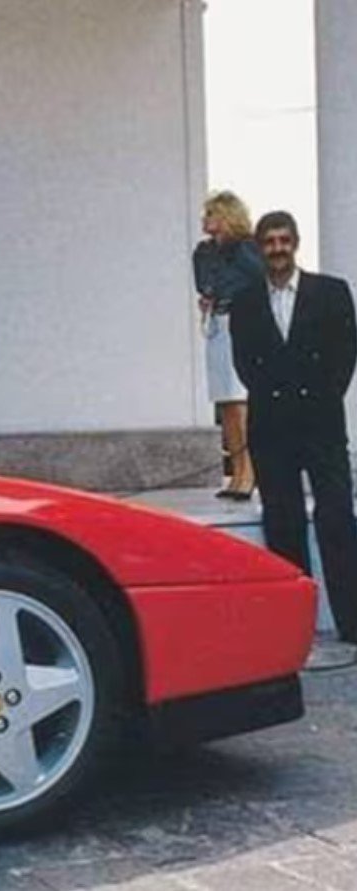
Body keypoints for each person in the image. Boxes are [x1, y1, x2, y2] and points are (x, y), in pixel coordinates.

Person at [231, 210, 357, 642]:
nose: (277, 249)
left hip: (322, 425)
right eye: (269, 242)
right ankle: (293, 631)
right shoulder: (245, 302)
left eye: (284, 240)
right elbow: (244, 363)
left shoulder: (332, 292)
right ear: (259, 248)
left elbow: (345, 355)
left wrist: (319, 398)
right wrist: (278, 398)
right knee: (283, 525)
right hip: (272, 427)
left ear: (296, 243)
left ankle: (352, 624)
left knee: (337, 519)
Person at [192, 191, 264, 499]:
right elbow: (203, 283)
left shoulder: (247, 248)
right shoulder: (204, 251)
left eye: (212, 214)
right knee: (225, 402)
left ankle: (249, 473)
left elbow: (259, 278)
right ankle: (236, 471)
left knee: (239, 401)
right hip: (218, 321)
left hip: (242, 320)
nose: (206, 219)